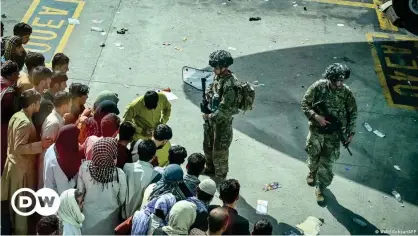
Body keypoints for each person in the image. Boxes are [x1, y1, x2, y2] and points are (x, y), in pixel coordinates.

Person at [301, 63, 357, 204]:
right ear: (330, 78)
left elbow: (353, 113)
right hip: (317, 130)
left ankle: (321, 187)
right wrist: (316, 117)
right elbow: (304, 103)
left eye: (342, 81)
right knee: (313, 154)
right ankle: (312, 172)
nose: (340, 84)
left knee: (328, 162)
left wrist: (351, 132)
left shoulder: (346, 92)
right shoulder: (318, 87)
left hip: (334, 134)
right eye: (337, 81)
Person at [1, 89, 53, 235]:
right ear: (33, 104)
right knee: (21, 211)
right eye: (38, 102)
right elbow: (19, 148)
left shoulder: (17, 116)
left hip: (16, 166)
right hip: (21, 170)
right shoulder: (24, 122)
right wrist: (41, 145)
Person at [77, 137, 127, 235]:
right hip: (110, 220)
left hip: (88, 218)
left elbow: (79, 194)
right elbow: (121, 199)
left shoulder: (85, 168)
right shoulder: (119, 174)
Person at [202, 50, 239, 181]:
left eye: (216, 67)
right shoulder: (219, 76)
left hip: (222, 123)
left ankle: (220, 176)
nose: (214, 69)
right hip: (212, 120)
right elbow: (212, 88)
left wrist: (209, 116)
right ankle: (210, 168)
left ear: (224, 66)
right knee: (208, 145)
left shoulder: (231, 84)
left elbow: (225, 110)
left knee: (220, 152)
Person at [123, 90, 172, 165]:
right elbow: (126, 123)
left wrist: (162, 123)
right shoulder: (134, 105)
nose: (152, 110)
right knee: (137, 154)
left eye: (154, 108)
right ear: (144, 102)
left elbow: (167, 109)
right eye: (149, 108)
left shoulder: (162, 98)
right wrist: (141, 130)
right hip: (141, 135)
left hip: (156, 131)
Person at [38, 91, 71, 189]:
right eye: (70, 103)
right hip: (48, 162)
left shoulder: (59, 119)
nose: (71, 105)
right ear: (64, 106)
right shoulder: (54, 123)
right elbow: (47, 146)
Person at [123, 139, 162, 218]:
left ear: (138, 153)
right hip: (137, 217)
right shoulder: (155, 176)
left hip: (122, 212)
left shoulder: (126, 167)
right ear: (154, 156)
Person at [43, 125, 82, 195]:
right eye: (76, 139)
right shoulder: (60, 163)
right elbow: (64, 190)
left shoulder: (53, 147)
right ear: (71, 141)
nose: (78, 142)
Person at [1, 61, 20, 174]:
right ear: (10, 75)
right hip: (4, 126)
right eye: (16, 73)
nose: (18, 75)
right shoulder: (9, 93)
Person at [31, 66, 54, 136]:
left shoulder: (26, 93)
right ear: (42, 82)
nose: (51, 80)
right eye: (49, 78)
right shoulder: (42, 102)